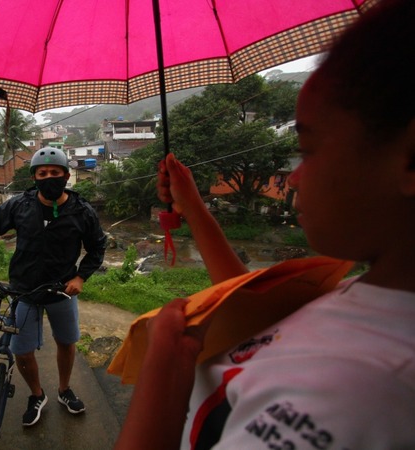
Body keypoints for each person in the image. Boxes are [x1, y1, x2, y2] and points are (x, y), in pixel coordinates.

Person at [115, 0, 415, 448]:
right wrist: (193, 207)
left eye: (309, 151)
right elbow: (255, 318)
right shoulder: (373, 302)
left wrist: (164, 377)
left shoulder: (358, 396)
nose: (292, 179)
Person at [0, 147, 107, 427]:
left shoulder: (82, 211)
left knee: (66, 342)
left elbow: (97, 247)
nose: (49, 177)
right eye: (42, 173)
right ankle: (37, 395)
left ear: (66, 175)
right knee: (22, 350)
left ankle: (64, 390)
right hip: (23, 289)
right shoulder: (19, 205)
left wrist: (80, 277)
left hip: (62, 289)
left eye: (55, 172)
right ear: (34, 177)